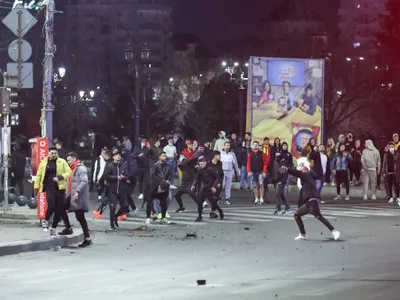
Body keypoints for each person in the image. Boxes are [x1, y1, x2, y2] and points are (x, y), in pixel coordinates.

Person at [279, 165, 340, 241]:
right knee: (297, 215)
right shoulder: (307, 180)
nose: (300, 170)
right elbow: (301, 197)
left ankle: (334, 231)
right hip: (308, 202)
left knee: (318, 216)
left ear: (305, 170)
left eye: (301, 169)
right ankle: (303, 234)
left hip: (312, 200)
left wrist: (288, 169)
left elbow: (298, 173)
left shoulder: (306, 174)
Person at [34, 147, 72, 238]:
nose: (53, 155)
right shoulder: (44, 163)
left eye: (55, 153)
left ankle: (53, 229)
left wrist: (60, 177)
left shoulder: (62, 162)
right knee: (51, 205)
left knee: (58, 210)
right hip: (49, 188)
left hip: (60, 188)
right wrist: (36, 187)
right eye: (52, 153)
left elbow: (69, 172)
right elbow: (39, 175)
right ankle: (45, 220)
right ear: (48, 153)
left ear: (57, 153)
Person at [65, 152, 92, 247]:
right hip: (71, 196)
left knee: (80, 217)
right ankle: (68, 228)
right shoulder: (72, 168)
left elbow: (84, 181)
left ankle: (87, 238)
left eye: (69, 160)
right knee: (60, 208)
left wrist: (77, 191)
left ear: (74, 159)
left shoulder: (81, 168)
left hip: (79, 197)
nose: (68, 162)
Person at [191, 156, 223, 222]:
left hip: (211, 188)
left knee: (213, 203)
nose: (201, 165)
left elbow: (217, 178)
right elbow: (196, 178)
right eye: (200, 164)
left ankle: (220, 210)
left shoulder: (211, 169)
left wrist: (214, 186)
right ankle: (199, 216)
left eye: (202, 164)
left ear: (205, 163)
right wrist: (193, 185)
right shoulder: (200, 170)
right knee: (199, 202)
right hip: (205, 187)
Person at [104, 151, 129, 230]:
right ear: (113, 157)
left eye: (119, 156)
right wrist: (116, 177)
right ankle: (112, 224)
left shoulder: (123, 166)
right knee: (113, 207)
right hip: (112, 190)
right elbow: (107, 175)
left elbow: (127, 175)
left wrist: (124, 177)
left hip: (121, 189)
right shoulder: (110, 166)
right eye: (116, 156)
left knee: (125, 206)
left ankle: (116, 216)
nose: (118, 157)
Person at [145, 152, 171, 225]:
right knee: (149, 203)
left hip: (164, 186)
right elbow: (153, 176)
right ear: (159, 157)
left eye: (165, 156)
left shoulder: (167, 166)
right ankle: (148, 218)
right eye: (163, 156)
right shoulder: (155, 166)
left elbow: (169, 175)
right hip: (154, 187)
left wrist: (167, 181)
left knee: (164, 202)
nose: (164, 157)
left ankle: (163, 217)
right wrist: (160, 181)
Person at [273, 142, 292, 213]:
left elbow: (286, 170)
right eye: (283, 146)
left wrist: (283, 180)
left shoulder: (287, 158)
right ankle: (287, 208)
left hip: (283, 178)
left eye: (286, 146)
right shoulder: (277, 160)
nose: (285, 147)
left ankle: (278, 208)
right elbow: (275, 170)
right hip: (277, 178)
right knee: (280, 194)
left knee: (278, 194)